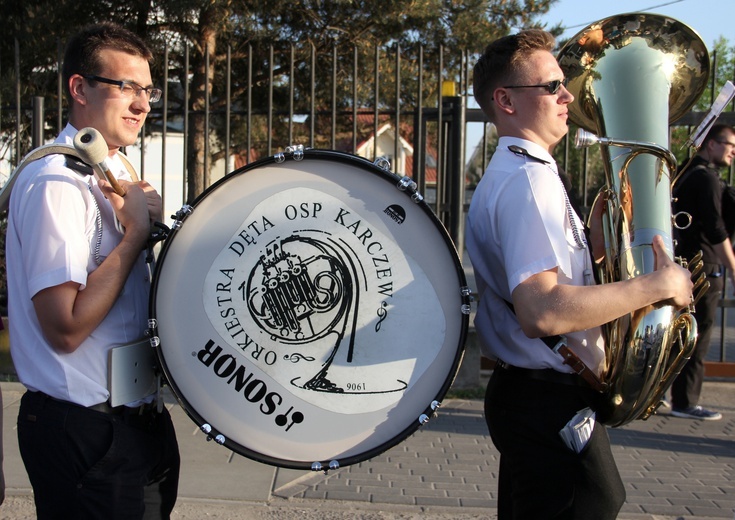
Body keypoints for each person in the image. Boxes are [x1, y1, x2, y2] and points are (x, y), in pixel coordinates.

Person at [466, 29, 694, 519]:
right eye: (551, 87)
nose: (568, 95)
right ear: (505, 101)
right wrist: (656, 285)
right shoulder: (528, 182)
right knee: (595, 501)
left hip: (534, 397)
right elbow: (543, 312)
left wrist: (592, 252)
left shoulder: (525, 172)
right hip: (544, 400)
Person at [6, 23, 180, 519]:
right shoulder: (55, 183)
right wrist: (133, 238)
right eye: (126, 87)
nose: (143, 104)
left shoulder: (118, 171)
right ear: (79, 88)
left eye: (148, 89)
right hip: (85, 430)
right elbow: (65, 327)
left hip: (136, 422)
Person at [670, 123, 735, 421]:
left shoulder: (685, 172)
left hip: (682, 262)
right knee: (698, 333)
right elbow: (716, 228)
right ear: (710, 144)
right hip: (704, 266)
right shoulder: (706, 178)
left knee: (679, 333)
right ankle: (686, 401)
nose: (732, 150)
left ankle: (664, 394)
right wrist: (732, 267)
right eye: (728, 144)